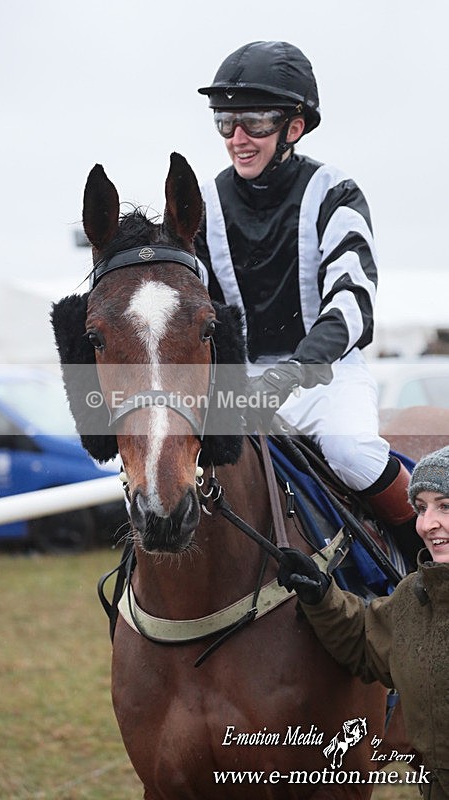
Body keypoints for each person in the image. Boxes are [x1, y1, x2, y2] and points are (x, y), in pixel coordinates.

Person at [195, 40, 420, 561]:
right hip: (243, 384)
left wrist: (295, 371)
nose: (237, 137)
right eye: (224, 122)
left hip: (325, 375)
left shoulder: (334, 191)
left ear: (293, 127)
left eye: (252, 121)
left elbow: (352, 300)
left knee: (351, 452)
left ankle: (427, 562)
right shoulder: (203, 202)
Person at [276, 445, 449, 798]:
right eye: (420, 508)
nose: (427, 523)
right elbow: (364, 641)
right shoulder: (415, 598)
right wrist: (321, 595)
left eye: (444, 506)